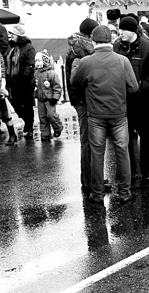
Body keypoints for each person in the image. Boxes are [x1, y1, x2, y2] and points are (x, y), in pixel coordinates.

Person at [71, 25, 138, 204]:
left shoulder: (86, 62)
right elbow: (134, 87)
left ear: (93, 41)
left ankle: (98, 193)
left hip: (95, 116)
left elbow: (74, 82)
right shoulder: (123, 61)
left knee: (97, 154)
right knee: (122, 152)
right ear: (111, 40)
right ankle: (125, 192)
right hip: (118, 114)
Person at [113, 15, 149, 187]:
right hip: (123, 101)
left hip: (142, 100)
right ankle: (130, 171)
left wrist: (140, 88)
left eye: (124, 29)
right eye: (120, 29)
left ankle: (147, 171)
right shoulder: (116, 47)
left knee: (145, 136)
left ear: (133, 30)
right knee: (125, 138)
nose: (120, 33)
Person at [66, 18, 97, 192]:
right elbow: (76, 79)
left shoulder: (79, 47)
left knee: (90, 140)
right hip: (83, 100)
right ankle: (88, 180)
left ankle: (92, 178)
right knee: (87, 141)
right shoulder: (80, 50)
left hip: (82, 99)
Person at [5, 24, 36, 140]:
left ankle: (30, 127)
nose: (10, 36)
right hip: (14, 82)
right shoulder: (12, 48)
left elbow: (30, 65)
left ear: (18, 35)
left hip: (25, 82)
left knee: (27, 106)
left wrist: (23, 78)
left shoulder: (28, 48)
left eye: (12, 34)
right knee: (16, 105)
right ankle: (27, 122)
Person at [33, 51, 63, 141]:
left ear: (45, 61)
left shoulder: (51, 73)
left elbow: (57, 86)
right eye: (36, 61)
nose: (37, 63)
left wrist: (55, 97)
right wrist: (35, 94)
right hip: (41, 99)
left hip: (50, 99)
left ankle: (58, 128)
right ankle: (45, 133)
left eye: (39, 61)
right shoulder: (36, 73)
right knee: (42, 117)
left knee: (51, 115)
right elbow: (36, 86)